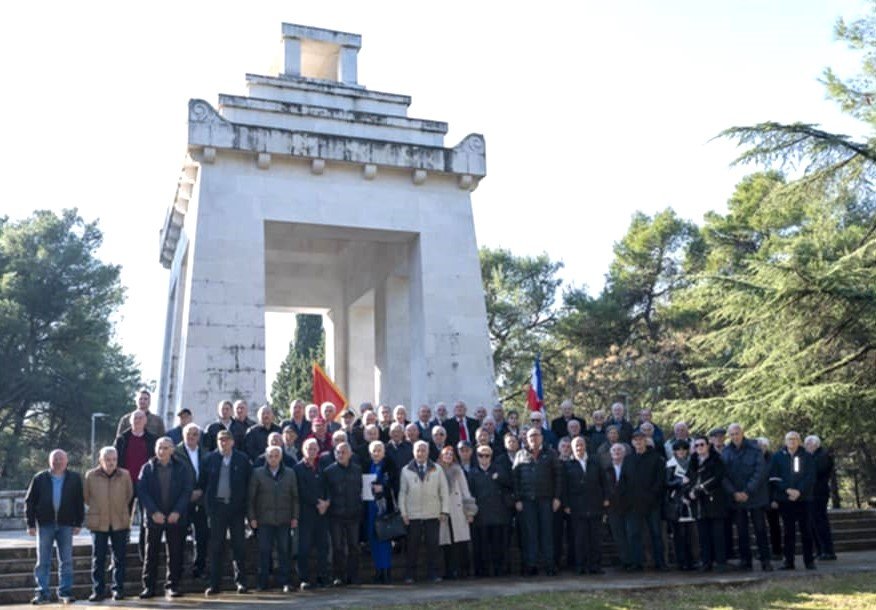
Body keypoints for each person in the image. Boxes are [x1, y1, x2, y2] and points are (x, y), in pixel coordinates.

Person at [25, 449, 85, 605]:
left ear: (66, 461)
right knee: (43, 561)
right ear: (49, 461)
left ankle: (65, 592)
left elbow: (79, 502)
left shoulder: (74, 478)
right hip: (45, 524)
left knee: (66, 560)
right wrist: (30, 524)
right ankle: (42, 593)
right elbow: (29, 502)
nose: (58, 462)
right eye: (55, 459)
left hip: (66, 524)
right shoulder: (39, 478)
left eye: (61, 459)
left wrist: (79, 522)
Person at [137, 437, 194, 599]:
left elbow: (186, 490)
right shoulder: (147, 468)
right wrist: (154, 512)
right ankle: (149, 587)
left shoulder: (181, 468)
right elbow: (142, 491)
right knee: (151, 554)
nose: (162, 451)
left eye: (166, 448)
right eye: (159, 448)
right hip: (154, 518)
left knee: (175, 553)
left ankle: (173, 585)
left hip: (175, 518)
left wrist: (177, 511)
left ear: (172, 450)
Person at [201, 430, 251, 596]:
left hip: (236, 510)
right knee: (216, 547)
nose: (223, 442)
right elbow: (203, 485)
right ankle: (215, 584)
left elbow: (249, 485)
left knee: (239, 546)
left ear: (232, 442)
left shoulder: (242, 459)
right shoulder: (209, 459)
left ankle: (241, 582)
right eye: (220, 439)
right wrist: (209, 508)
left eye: (226, 439)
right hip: (217, 509)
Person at [84, 447, 133, 602]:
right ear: (100, 460)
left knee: (119, 558)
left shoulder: (125, 475)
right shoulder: (90, 476)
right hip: (99, 523)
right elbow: (87, 497)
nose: (111, 462)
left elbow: (129, 495)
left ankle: (118, 589)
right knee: (98, 559)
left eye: (113, 459)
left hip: (119, 521)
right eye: (107, 459)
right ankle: (98, 590)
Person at [248, 446, 299, 593]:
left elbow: (295, 497)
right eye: (270, 456)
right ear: (266, 457)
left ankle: (286, 582)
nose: (273, 458)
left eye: (276, 456)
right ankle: (262, 583)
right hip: (264, 520)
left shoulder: (290, 473)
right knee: (264, 552)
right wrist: (252, 518)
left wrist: (295, 517)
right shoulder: (257, 474)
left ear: (281, 457)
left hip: (284, 519)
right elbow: (250, 498)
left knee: (284, 551)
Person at [398, 440, 451, 584]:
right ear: (413, 452)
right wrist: (404, 513)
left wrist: (444, 511)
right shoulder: (406, 470)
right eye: (418, 450)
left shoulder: (437, 469)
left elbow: (444, 491)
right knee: (412, 546)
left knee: (433, 545)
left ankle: (434, 573)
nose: (420, 453)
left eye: (423, 450)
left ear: (428, 452)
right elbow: (402, 493)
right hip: (412, 515)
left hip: (433, 514)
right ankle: (410, 574)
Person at [513, 426, 562, 576]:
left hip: (546, 500)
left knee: (547, 533)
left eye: (536, 435)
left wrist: (557, 497)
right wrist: (517, 499)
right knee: (530, 534)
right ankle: (531, 565)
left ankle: (549, 565)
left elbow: (558, 476)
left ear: (541, 437)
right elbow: (515, 479)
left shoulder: (551, 453)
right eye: (531, 436)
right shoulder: (520, 454)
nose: (534, 438)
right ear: (526, 439)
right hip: (527, 501)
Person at [722, 423, 772, 571]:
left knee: (760, 529)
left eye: (737, 433)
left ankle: (765, 560)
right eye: (732, 434)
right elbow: (723, 475)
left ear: (742, 433)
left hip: (755, 496)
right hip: (737, 498)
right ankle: (746, 561)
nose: (735, 437)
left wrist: (747, 492)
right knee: (742, 531)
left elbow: (760, 472)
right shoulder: (726, 452)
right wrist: (734, 493)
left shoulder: (755, 449)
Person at [114, 409, 158, 563]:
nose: (138, 420)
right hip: (125, 483)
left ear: (145, 421)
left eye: (141, 418)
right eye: (135, 418)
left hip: (146, 484)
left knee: (147, 520)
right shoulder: (122, 439)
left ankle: (143, 555)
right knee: (122, 519)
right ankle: (119, 556)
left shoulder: (152, 439)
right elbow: (115, 461)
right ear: (130, 421)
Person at [770, 431, 816, 570]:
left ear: (799, 441)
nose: (792, 441)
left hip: (803, 499)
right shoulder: (777, 457)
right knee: (788, 532)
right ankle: (788, 561)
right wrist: (787, 490)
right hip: (786, 499)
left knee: (806, 530)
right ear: (785, 441)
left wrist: (799, 491)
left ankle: (809, 561)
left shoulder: (806, 456)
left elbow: (810, 476)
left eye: (795, 439)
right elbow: (774, 477)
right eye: (789, 439)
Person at [563, 436, 608, 574]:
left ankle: (595, 565)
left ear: (585, 446)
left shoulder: (595, 462)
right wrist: (566, 504)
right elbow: (564, 486)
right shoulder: (567, 464)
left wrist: (606, 498)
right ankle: (580, 566)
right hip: (577, 506)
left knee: (595, 537)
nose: (579, 448)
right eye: (576, 445)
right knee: (579, 538)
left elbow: (603, 481)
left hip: (595, 504)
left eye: (581, 444)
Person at [622, 430, 666, 571]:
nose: (638, 442)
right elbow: (624, 481)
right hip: (633, 504)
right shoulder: (628, 459)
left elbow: (660, 481)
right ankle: (637, 563)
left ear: (645, 441)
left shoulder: (656, 458)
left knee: (656, 534)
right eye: (635, 440)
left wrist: (651, 496)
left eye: (641, 439)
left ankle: (660, 562)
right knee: (634, 534)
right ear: (632, 443)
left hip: (652, 503)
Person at [467, 445, 512, 577]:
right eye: (481, 455)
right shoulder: (472, 473)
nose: (484, 458)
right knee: (481, 546)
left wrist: (499, 478)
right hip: (480, 515)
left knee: (498, 545)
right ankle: (482, 571)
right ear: (477, 457)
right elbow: (469, 494)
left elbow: (510, 485)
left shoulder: (500, 470)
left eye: (487, 455)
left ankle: (499, 570)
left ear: (491, 457)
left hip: (498, 515)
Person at [686, 435, 728, 572]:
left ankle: (721, 562)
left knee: (718, 534)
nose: (699, 447)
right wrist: (689, 492)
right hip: (699, 504)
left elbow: (718, 477)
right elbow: (688, 479)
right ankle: (706, 562)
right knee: (703, 534)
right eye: (696, 445)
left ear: (708, 445)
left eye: (702, 444)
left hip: (714, 501)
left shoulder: (716, 460)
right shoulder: (692, 461)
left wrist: (700, 489)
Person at [324, 442, 363, 586]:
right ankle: (338, 576)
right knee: (337, 547)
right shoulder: (329, 471)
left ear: (350, 454)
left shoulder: (357, 470)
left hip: (353, 514)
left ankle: (353, 576)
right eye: (338, 452)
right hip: (336, 515)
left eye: (343, 452)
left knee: (354, 546)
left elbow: (360, 490)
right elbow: (326, 492)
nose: (340, 455)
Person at [294, 438, 331, 589]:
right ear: (303, 450)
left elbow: (329, 486)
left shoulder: (322, 466)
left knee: (323, 547)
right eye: (309, 448)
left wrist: (327, 502)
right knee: (304, 548)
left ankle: (323, 577)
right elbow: (301, 491)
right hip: (306, 513)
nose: (312, 450)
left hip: (322, 513)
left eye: (314, 448)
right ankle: (304, 579)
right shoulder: (298, 468)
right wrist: (318, 502)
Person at [174, 423, 209, 579]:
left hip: (201, 501)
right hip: (182, 501)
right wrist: (188, 493)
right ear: (183, 435)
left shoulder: (206, 453)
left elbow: (209, 476)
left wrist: (201, 490)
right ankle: (177, 570)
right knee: (179, 537)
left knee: (202, 536)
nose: (192, 437)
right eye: (189, 433)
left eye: (195, 434)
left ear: (199, 437)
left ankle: (199, 568)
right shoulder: (175, 453)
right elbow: (174, 478)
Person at [437, 446, 476, 579]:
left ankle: (463, 570)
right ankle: (449, 571)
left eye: (450, 454)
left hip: (458, 509)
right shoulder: (436, 470)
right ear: (441, 456)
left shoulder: (458, 470)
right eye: (445, 454)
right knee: (446, 543)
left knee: (461, 542)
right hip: (443, 510)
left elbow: (465, 490)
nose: (448, 456)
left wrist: (469, 511)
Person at [365, 441, 397, 584]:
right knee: (373, 540)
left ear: (384, 452)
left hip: (384, 508)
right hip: (370, 507)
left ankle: (386, 571)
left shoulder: (389, 465)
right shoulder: (367, 465)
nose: (376, 453)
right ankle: (378, 571)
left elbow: (395, 483)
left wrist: (383, 488)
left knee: (384, 540)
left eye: (379, 450)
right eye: (373, 451)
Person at [665, 439, 695, 571]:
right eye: (678, 449)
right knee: (678, 535)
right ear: (674, 451)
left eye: (683, 449)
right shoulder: (669, 465)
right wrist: (679, 482)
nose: (681, 452)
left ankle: (691, 561)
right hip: (676, 504)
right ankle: (680, 561)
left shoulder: (692, 464)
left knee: (691, 535)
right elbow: (667, 483)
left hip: (691, 502)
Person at [805, 435, 837, 560]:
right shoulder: (811, 456)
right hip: (811, 493)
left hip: (819, 493)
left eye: (808, 444)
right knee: (813, 522)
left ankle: (828, 550)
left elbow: (816, 471)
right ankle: (819, 550)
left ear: (815, 445)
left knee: (820, 522)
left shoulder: (823, 455)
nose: (806, 447)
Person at [605, 443, 631, 570]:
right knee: (618, 535)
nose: (617, 452)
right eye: (614, 450)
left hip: (629, 505)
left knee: (630, 534)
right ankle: (625, 561)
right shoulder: (606, 469)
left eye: (619, 450)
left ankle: (634, 561)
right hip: (613, 507)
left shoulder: (630, 467)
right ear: (610, 453)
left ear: (624, 452)